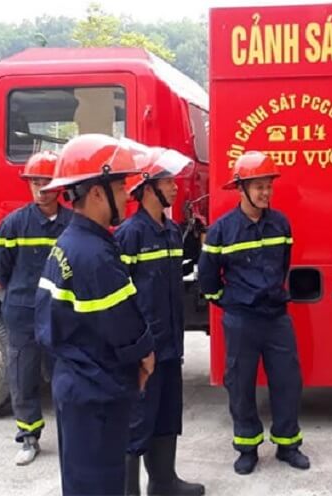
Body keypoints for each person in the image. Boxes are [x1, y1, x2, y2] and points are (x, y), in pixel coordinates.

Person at [35, 134, 155, 495]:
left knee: (82, 483)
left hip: (78, 383)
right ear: (98, 193)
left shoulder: (71, 243)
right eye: (119, 187)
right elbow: (122, 324)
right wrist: (145, 356)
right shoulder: (94, 254)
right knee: (99, 485)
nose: (127, 195)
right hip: (97, 390)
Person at [198, 151, 309, 476]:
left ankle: (288, 445)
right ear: (241, 188)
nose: (266, 192)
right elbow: (208, 278)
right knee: (240, 384)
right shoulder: (222, 231)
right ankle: (247, 448)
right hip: (241, 319)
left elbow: (283, 265)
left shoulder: (281, 224)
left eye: (268, 186)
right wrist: (229, 302)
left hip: (276, 317)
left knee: (287, 381)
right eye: (259, 186)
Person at [116, 147, 205, 495]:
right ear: (147, 187)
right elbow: (120, 296)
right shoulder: (130, 234)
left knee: (167, 415)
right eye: (167, 181)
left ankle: (164, 482)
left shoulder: (170, 231)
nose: (175, 186)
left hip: (170, 346)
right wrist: (134, 347)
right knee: (136, 421)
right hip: (145, 349)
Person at [0, 150, 72, 466]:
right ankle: (28, 436)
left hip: (61, 313)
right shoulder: (14, 224)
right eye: (34, 182)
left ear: (59, 185)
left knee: (66, 373)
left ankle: (71, 434)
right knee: (23, 375)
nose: (40, 189)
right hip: (23, 312)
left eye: (46, 182)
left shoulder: (72, 224)